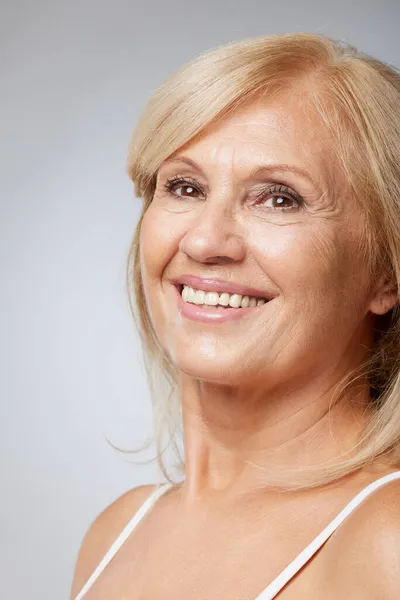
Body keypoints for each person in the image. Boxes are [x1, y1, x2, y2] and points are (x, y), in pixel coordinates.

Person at [70, 33, 400, 599]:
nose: (204, 240)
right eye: (184, 186)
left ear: (385, 273)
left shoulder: (386, 541)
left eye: (279, 198)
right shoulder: (116, 534)